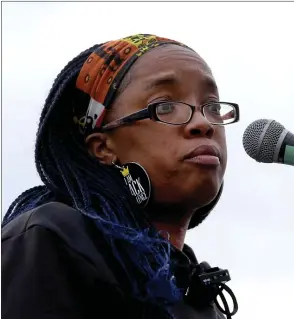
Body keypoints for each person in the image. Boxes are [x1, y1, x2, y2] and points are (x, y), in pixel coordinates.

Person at [2, 34, 240, 319]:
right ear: (102, 147)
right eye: (164, 105)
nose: (203, 122)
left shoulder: (198, 295)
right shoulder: (54, 239)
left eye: (212, 106)